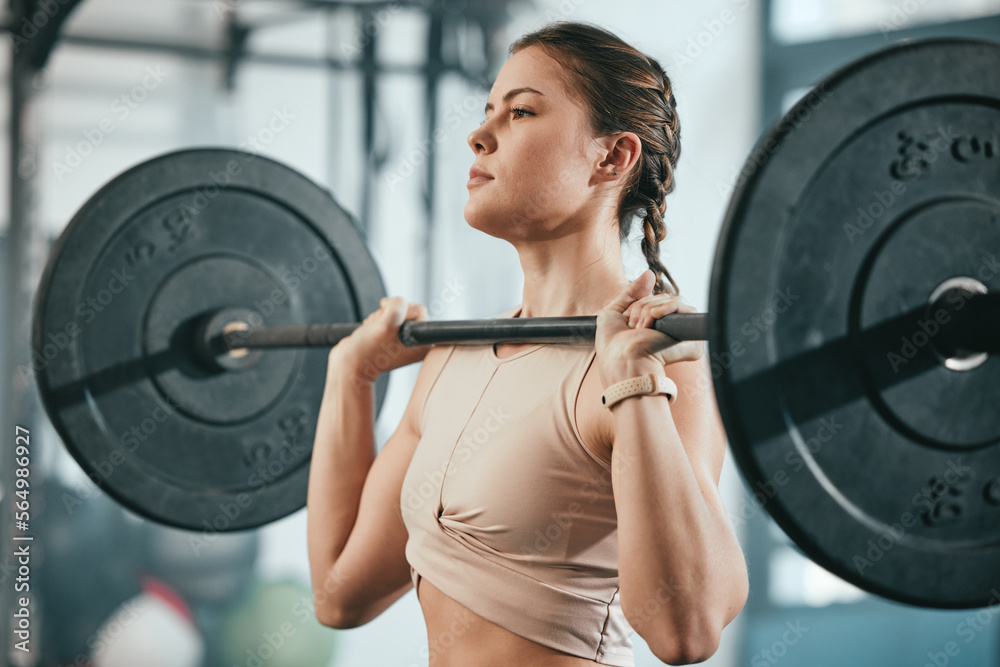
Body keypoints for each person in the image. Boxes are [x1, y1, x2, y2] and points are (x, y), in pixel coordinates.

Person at [307, 21, 748, 666]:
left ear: (612, 157)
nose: (478, 135)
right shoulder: (447, 363)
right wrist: (349, 378)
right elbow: (340, 597)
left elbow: (687, 632)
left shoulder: (657, 361)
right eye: (489, 111)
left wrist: (633, 386)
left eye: (520, 112)